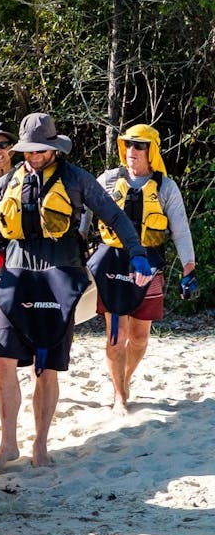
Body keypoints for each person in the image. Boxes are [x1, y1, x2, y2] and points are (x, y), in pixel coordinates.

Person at [0, 113, 151, 470]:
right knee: (3, 362)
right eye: (28, 151)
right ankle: (8, 442)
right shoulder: (8, 181)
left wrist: (136, 253)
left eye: (40, 150)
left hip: (59, 274)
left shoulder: (76, 179)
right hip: (14, 274)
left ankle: (40, 444)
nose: (33, 156)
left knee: (45, 367)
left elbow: (115, 218)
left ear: (53, 149)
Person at [94, 123, 198, 413]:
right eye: (128, 144)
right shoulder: (108, 180)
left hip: (150, 266)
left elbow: (180, 230)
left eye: (139, 145)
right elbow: (85, 208)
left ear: (151, 150)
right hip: (114, 262)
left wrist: (189, 269)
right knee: (118, 335)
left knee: (139, 337)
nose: (131, 151)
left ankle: (124, 381)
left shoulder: (166, 187)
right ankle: (119, 396)